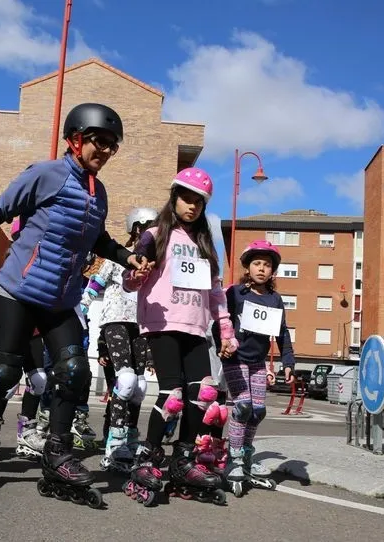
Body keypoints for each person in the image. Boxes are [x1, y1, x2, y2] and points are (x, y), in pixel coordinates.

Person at [0, 103, 149, 506]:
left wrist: (128, 257)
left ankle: (57, 451)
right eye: (99, 142)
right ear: (75, 139)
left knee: (74, 371)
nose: (105, 151)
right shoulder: (47, 173)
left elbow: (98, 240)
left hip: (60, 300)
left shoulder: (98, 191)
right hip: (17, 291)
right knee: (5, 370)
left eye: (112, 146)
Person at [121, 167, 236, 507]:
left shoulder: (205, 245)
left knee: (203, 394)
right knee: (172, 395)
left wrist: (226, 329)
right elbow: (131, 280)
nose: (192, 206)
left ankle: (183, 459)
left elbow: (216, 293)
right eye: (186, 199)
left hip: (196, 327)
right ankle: (148, 458)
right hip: (163, 323)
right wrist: (136, 274)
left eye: (198, 202)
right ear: (174, 198)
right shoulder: (155, 234)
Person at [82, 207, 157, 473]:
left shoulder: (155, 265)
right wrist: (81, 308)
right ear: (137, 229)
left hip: (141, 326)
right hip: (115, 322)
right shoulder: (119, 258)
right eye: (148, 228)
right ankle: (114, 443)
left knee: (139, 386)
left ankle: (131, 437)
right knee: (124, 381)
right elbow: (95, 284)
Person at [223, 240, 295, 496]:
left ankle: (247, 455)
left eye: (267, 265)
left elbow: (283, 333)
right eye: (257, 263)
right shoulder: (235, 293)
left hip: (257, 362)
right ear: (248, 267)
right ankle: (234, 459)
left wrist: (288, 362)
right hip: (235, 358)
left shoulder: (276, 300)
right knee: (242, 407)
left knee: (258, 411)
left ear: (273, 270)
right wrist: (224, 343)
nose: (262, 268)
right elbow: (220, 320)